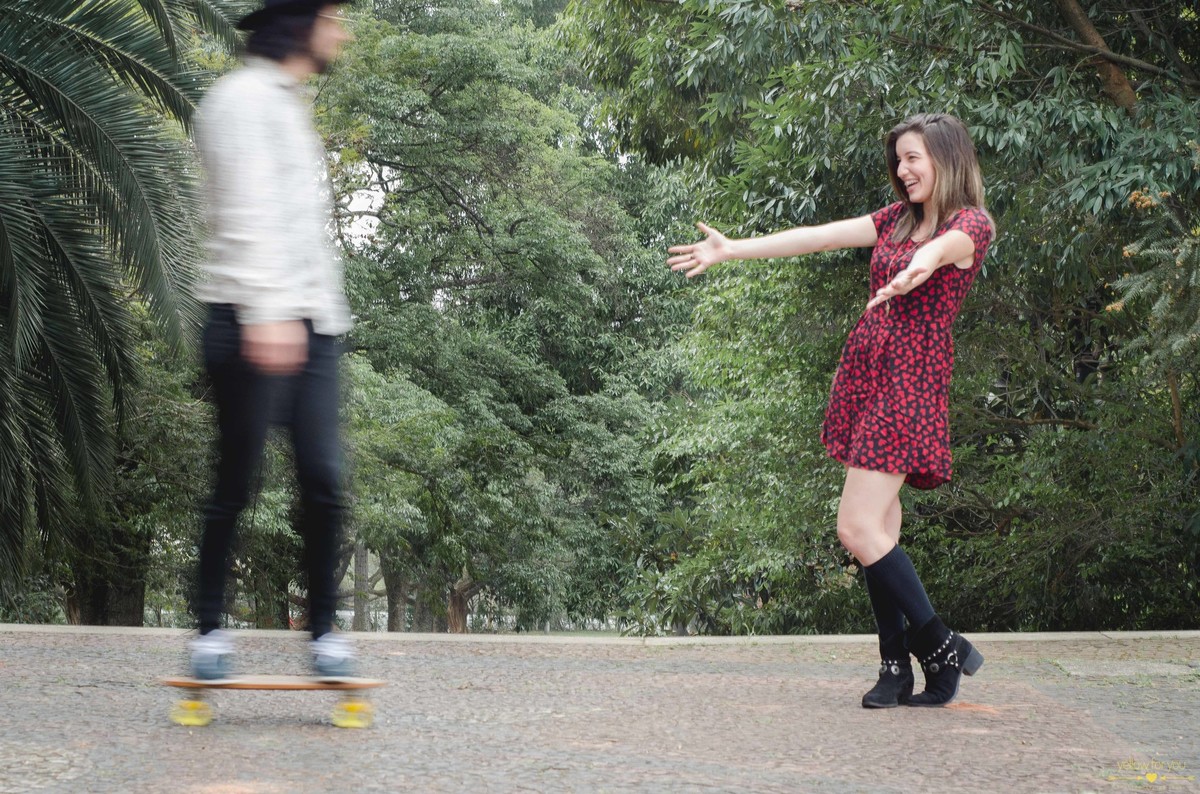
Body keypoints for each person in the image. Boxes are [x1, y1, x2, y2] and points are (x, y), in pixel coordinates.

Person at [667, 113, 994, 708]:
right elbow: (818, 235)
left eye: (914, 157)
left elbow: (942, 252)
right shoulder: (894, 220)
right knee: (880, 531)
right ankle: (896, 669)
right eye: (899, 159)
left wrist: (914, 272)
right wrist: (733, 249)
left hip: (910, 387)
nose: (903, 169)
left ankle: (942, 647)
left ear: (946, 158)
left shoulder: (969, 225)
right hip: (871, 379)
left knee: (855, 527)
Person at [188, 0, 355, 680]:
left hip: (313, 323)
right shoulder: (238, 99)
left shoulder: (290, 103)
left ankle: (323, 635)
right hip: (249, 315)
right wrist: (267, 313)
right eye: (334, 18)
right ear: (302, 24)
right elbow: (247, 208)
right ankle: (208, 633)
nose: (341, 33)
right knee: (236, 480)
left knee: (324, 481)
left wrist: (314, 316)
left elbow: (300, 226)